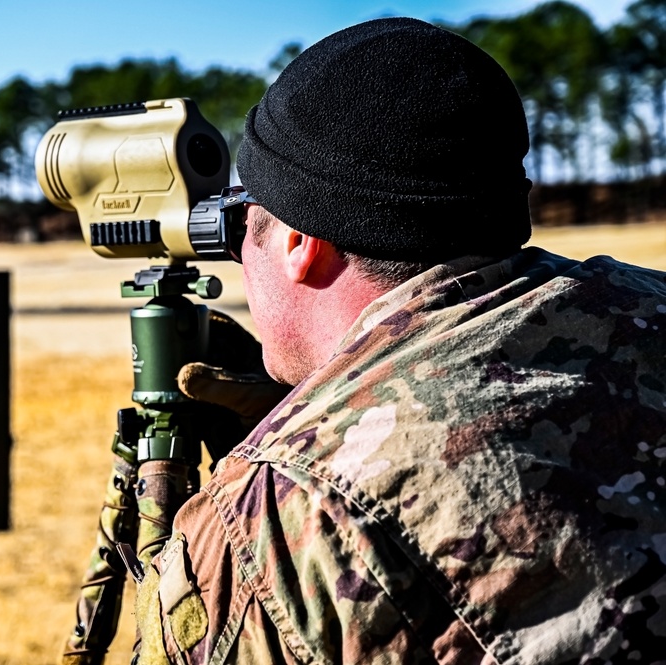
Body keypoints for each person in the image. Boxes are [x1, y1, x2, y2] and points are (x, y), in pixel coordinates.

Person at [132, 16, 666, 665]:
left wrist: (280, 461)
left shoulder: (277, 517)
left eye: (249, 225)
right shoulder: (649, 303)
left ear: (301, 243)